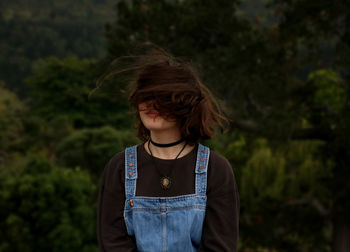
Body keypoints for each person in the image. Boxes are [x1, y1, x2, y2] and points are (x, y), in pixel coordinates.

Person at [97, 47, 239, 251]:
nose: (150, 105)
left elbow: (220, 246)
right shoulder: (119, 168)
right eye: (145, 96)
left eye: (163, 97)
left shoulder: (215, 169)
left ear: (185, 103)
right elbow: (113, 244)